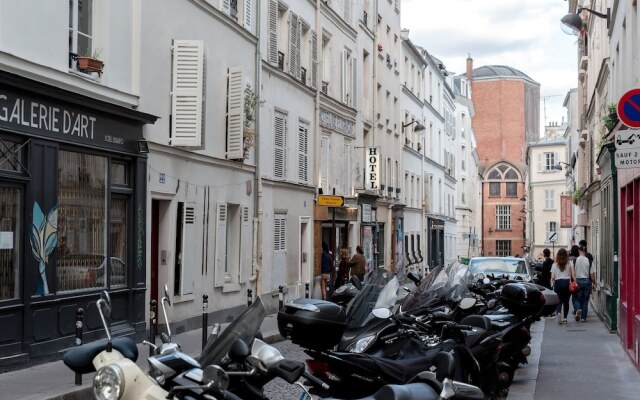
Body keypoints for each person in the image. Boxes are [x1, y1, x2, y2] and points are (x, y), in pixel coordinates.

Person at [551, 247, 576, 324]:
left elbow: (552, 277)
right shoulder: (570, 263)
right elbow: (573, 274)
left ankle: (558, 313)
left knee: (559, 301)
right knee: (566, 302)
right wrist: (575, 281)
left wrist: (552, 283)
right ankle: (565, 318)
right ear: (566, 255)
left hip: (558, 283)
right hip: (566, 283)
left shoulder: (554, 265)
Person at [572, 245, 596, 322]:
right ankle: (583, 318)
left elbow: (573, 273)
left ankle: (578, 308)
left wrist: (575, 280)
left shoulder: (574, 261)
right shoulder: (589, 261)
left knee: (576, 298)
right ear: (585, 252)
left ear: (579, 251)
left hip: (578, 280)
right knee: (585, 300)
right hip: (586, 281)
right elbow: (592, 275)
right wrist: (594, 283)